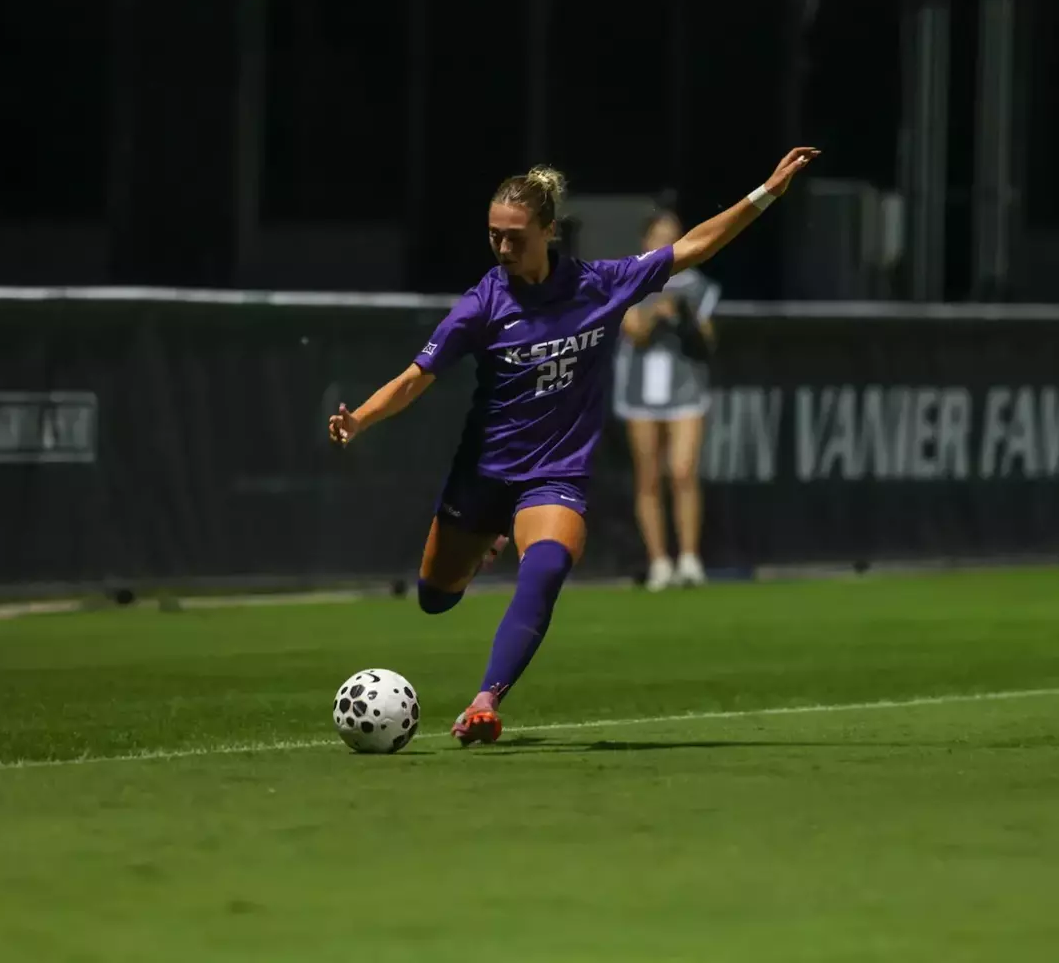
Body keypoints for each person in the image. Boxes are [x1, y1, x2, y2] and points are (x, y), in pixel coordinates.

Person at [328, 147, 819, 744]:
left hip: (554, 473)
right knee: (435, 596)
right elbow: (415, 378)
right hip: (485, 475)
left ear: (548, 231)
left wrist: (765, 193)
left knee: (547, 566)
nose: (502, 248)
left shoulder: (600, 285)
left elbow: (694, 247)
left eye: (515, 237)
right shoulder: (484, 303)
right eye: (493, 236)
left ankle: (485, 700)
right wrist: (361, 419)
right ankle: (490, 539)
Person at [614, 208, 722, 591]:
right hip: (640, 388)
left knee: (682, 471)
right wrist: (656, 312)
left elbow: (707, 340)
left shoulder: (696, 284)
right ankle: (659, 561)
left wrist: (686, 319)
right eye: (659, 236)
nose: (666, 243)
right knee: (648, 476)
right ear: (646, 241)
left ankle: (690, 559)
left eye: (672, 236)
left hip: (685, 386)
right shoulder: (628, 279)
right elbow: (633, 331)